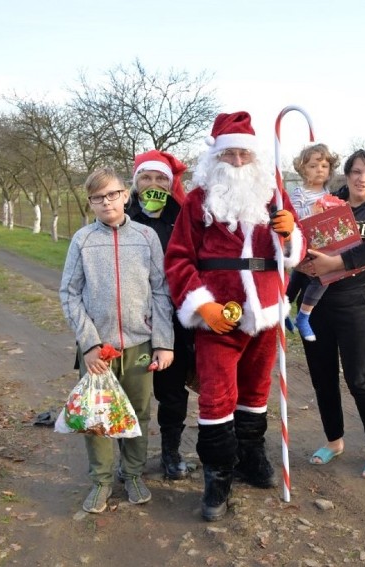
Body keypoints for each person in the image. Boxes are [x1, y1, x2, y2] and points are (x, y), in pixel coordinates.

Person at [163, 111, 303, 521]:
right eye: (230, 156)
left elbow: (292, 252)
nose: (238, 162)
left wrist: (290, 232)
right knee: (216, 396)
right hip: (217, 313)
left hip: (266, 309)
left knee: (256, 390)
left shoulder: (272, 194)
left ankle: (250, 456)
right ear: (215, 159)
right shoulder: (196, 201)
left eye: (244, 154)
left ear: (254, 156)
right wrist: (199, 303)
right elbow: (178, 259)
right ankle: (218, 472)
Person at [60, 167, 175, 513]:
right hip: (98, 350)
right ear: (91, 202)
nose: (106, 201)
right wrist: (90, 344)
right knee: (99, 416)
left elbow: (160, 290)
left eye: (112, 194)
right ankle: (101, 481)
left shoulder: (146, 237)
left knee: (137, 412)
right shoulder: (82, 240)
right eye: (98, 197)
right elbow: (69, 293)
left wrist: (163, 342)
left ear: (126, 195)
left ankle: (134, 473)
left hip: (139, 344)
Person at [299, 149, 365, 478]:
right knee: (322, 379)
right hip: (318, 305)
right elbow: (305, 246)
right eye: (356, 172)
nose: (361, 179)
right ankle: (334, 441)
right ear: (347, 175)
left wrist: (336, 263)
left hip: (355, 303)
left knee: (359, 379)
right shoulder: (327, 203)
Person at [127, 149, 194, 480]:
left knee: (171, 392)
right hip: (133, 321)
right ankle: (131, 458)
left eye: (160, 179)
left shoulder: (184, 218)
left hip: (176, 321)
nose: (153, 184)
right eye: (146, 177)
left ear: (170, 184)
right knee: (131, 391)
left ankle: (170, 451)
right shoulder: (122, 217)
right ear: (136, 181)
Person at [287, 143, 341, 341]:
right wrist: (312, 212)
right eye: (312, 166)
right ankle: (302, 316)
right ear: (302, 169)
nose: (319, 170)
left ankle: (293, 310)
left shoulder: (330, 194)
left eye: (324, 166)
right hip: (304, 242)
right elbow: (292, 216)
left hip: (323, 244)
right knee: (323, 273)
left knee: (315, 274)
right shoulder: (300, 194)